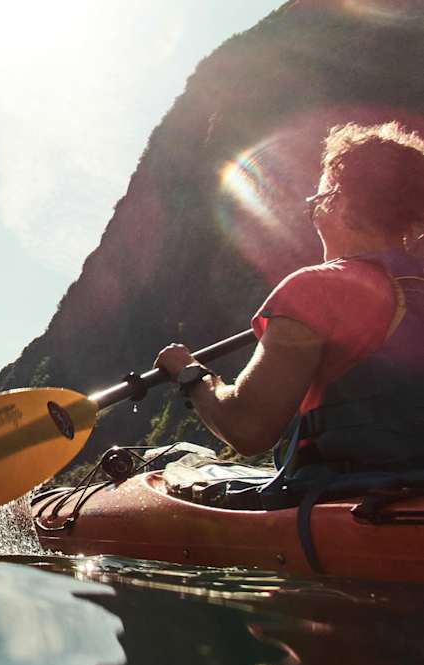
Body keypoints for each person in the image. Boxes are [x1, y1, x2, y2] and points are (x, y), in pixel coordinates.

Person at [153, 122, 424, 468]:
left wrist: (189, 372)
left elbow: (248, 429)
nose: (313, 216)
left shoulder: (317, 288)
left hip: (352, 500)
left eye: (317, 202)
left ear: (339, 204)